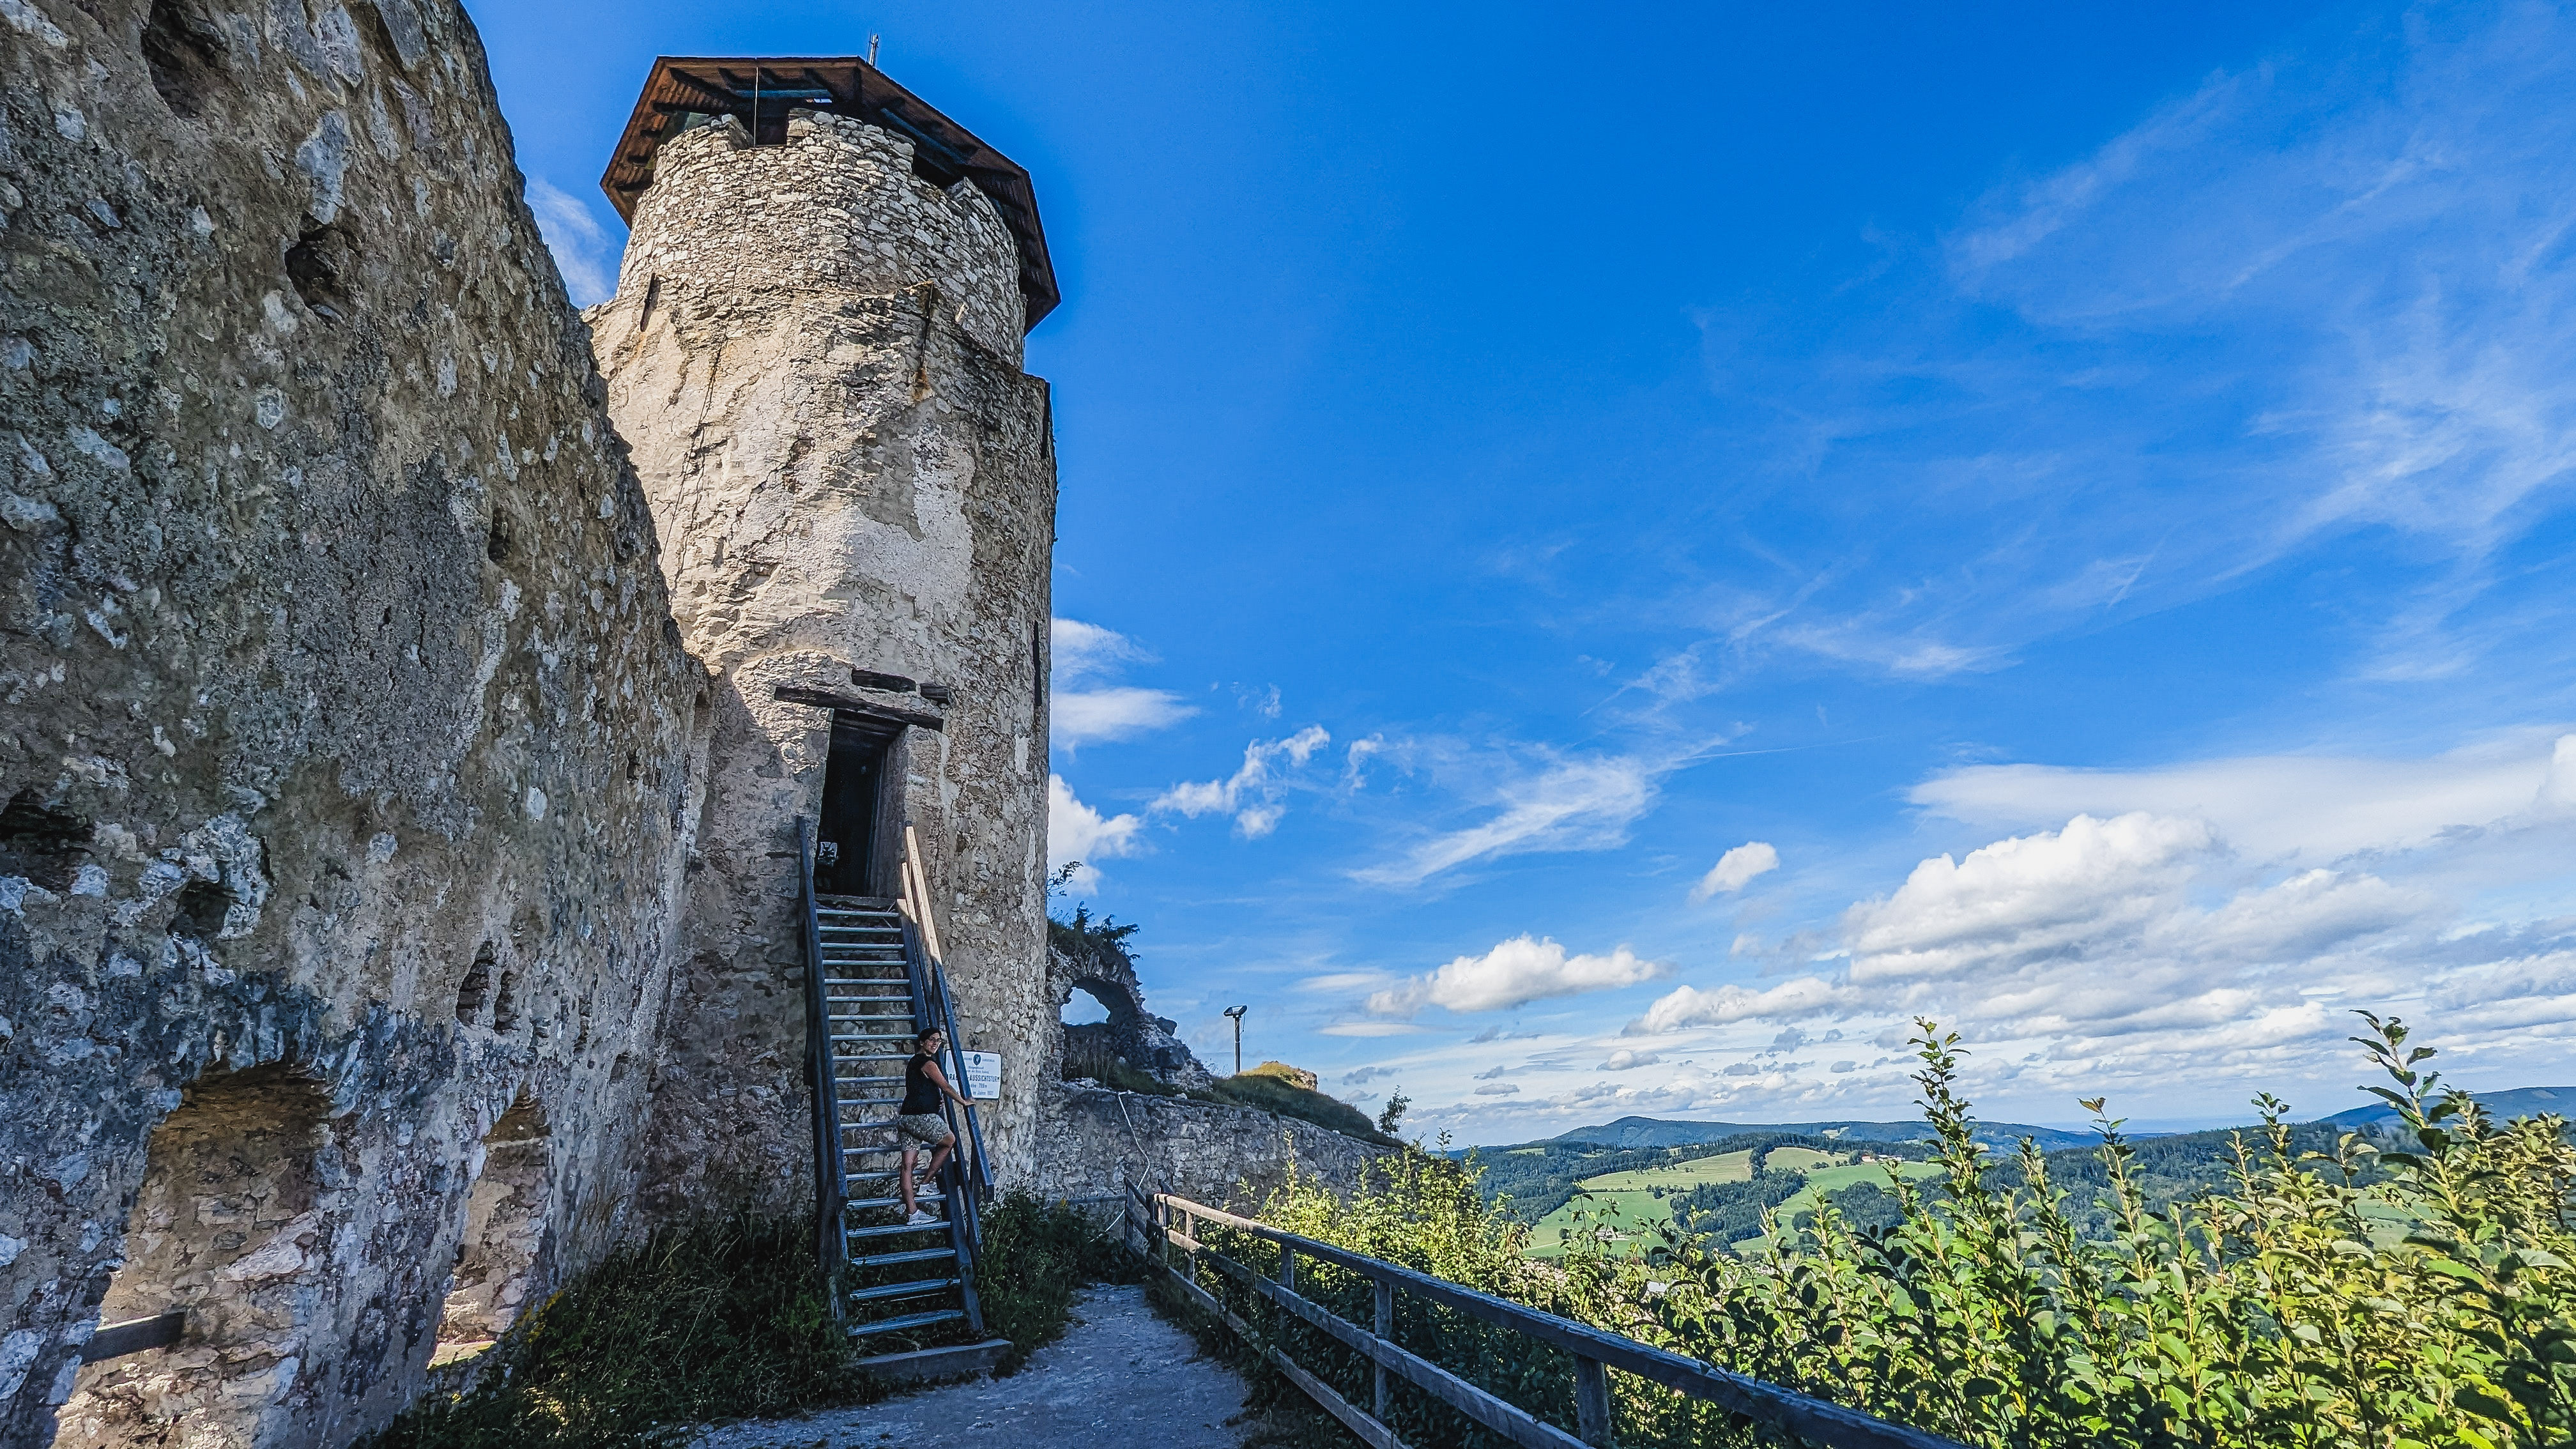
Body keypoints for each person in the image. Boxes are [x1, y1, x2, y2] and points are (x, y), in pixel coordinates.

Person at [896, 1027, 968, 1225]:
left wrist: (934, 1099)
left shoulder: (913, 1062)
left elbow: (921, 1089)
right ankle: (926, 1184)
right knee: (949, 1141)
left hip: (906, 1118)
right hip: (920, 1117)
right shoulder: (927, 1062)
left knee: (907, 1166)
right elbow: (945, 1086)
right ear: (922, 1042)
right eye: (931, 1040)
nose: (935, 1043)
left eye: (938, 1041)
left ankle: (913, 1214)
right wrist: (963, 1101)